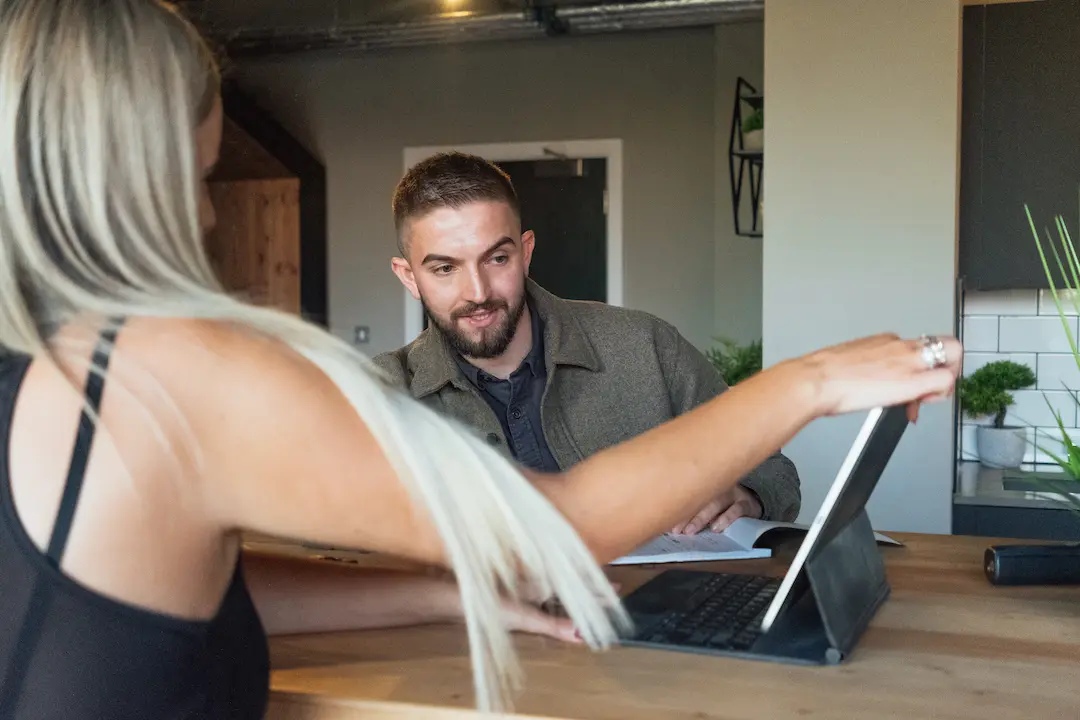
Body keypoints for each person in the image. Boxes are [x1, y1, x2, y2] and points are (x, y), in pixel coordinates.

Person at [0, 1, 962, 718]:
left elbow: (190, 590)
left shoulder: (38, 374)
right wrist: (815, 379)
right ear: (128, 172)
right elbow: (567, 521)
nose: (207, 214)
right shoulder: (168, 376)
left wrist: (454, 594)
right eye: (201, 176)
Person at [375, 152, 801, 532]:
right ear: (409, 276)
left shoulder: (645, 345)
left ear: (526, 252)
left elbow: (770, 466)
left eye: (497, 258)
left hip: (653, 614)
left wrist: (749, 495)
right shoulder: (377, 395)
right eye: (445, 269)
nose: (478, 292)